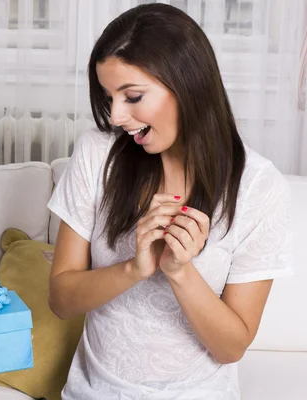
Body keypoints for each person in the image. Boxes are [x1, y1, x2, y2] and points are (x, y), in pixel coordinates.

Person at [47, 4, 292, 400]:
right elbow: (60, 299)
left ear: (188, 84)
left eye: (133, 96)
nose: (115, 117)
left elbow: (231, 348)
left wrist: (179, 271)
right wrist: (134, 267)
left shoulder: (259, 188)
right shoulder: (97, 153)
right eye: (109, 97)